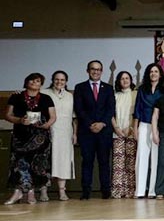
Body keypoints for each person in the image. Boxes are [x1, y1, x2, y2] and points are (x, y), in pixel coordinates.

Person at [4, 73, 56, 205]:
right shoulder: (16, 96)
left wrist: (47, 125)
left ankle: (31, 193)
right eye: (31, 80)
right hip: (20, 136)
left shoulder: (46, 98)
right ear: (26, 82)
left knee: (36, 165)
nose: (34, 82)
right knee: (18, 164)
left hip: (40, 137)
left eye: (38, 81)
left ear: (41, 84)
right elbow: (8, 115)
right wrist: (20, 120)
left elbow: (53, 116)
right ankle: (18, 192)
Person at [73, 60, 116, 200]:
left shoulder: (109, 88)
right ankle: (86, 192)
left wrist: (102, 123)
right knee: (87, 162)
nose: (95, 71)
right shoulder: (80, 87)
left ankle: (106, 191)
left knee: (104, 162)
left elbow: (110, 109)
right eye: (93, 69)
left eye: (98, 69)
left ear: (101, 71)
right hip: (87, 131)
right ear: (88, 70)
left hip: (104, 132)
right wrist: (91, 124)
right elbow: (79, 109)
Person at [42, 70, 74, 201]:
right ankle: (43, 191)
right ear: (52, 80)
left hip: (66, 132)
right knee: (47, 161)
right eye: (56, 79)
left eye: (62, 80)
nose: (59, 82)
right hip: (48, 131)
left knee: (64, 161)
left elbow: (73, 117)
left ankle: (62, 191)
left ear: (66, 82)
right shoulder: (44, 93)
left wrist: (75, 133)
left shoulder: (70, 96)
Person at [133, 63, 164, 199]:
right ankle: (140, 191)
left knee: (156, 159)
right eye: (151, 71)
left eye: (156, 71)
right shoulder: (142, 89)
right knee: (141, 158)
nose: (153, 74)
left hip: (158, 126)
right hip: (144, 125)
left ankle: (153, 191)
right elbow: (137, 109)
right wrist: (135, 128)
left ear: (160, 74)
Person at [111, 71, 137, 198]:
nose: (125, 80)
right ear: (118, 81)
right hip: (117, 132)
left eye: (127, 78)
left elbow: (137, 113)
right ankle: (117, 191)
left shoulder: (135, 94)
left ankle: (130, 191)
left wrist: (131, 127)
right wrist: (116, 128)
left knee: (131, 163)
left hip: (131, 132)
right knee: (118, 164)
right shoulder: (114, 95)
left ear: (131, 80)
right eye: (122, 79)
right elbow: (110, 114)